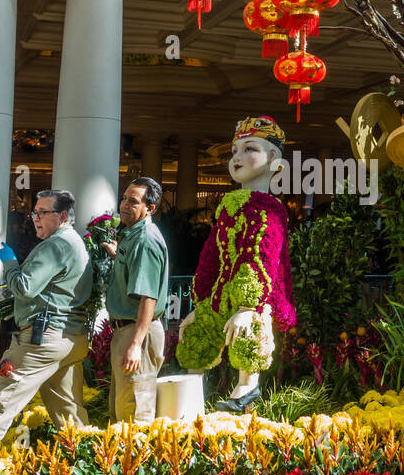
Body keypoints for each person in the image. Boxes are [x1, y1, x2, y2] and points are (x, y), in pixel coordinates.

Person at [175, 115, 295, 413]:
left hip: (255, 298)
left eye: (249, 149)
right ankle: (191, 399)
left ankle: (247, 387)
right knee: (197, 338)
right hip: (220, 293)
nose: (238, 158)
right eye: (235, 151)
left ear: (274, 160)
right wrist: (201, 302)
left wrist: (247, 306)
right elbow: (211, 255)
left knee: (251, 329)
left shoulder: (268, 208)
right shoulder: (230, 205)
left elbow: (261, 257)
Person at [0, 190, 93, 461]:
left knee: (1, 398)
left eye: (42, 213)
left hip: (41, 340)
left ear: (61, 217)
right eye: (34, 213)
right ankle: (87, 465)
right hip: (70, 339)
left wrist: (10, 262)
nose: (35, 218)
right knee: (68, 411)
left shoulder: (55, 245)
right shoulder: (74, 242)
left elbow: (25, 287)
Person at [103, 177, 169, 424]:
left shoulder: (145, 240)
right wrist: (117, 254)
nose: (124, 205)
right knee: (121, 411)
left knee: (134, 417)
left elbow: (148, 297)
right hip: (127, 330)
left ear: (150, 208)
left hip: (136, 331)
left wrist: (135, 344)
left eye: (133, 201)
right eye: (124, 198)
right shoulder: (132, 234)